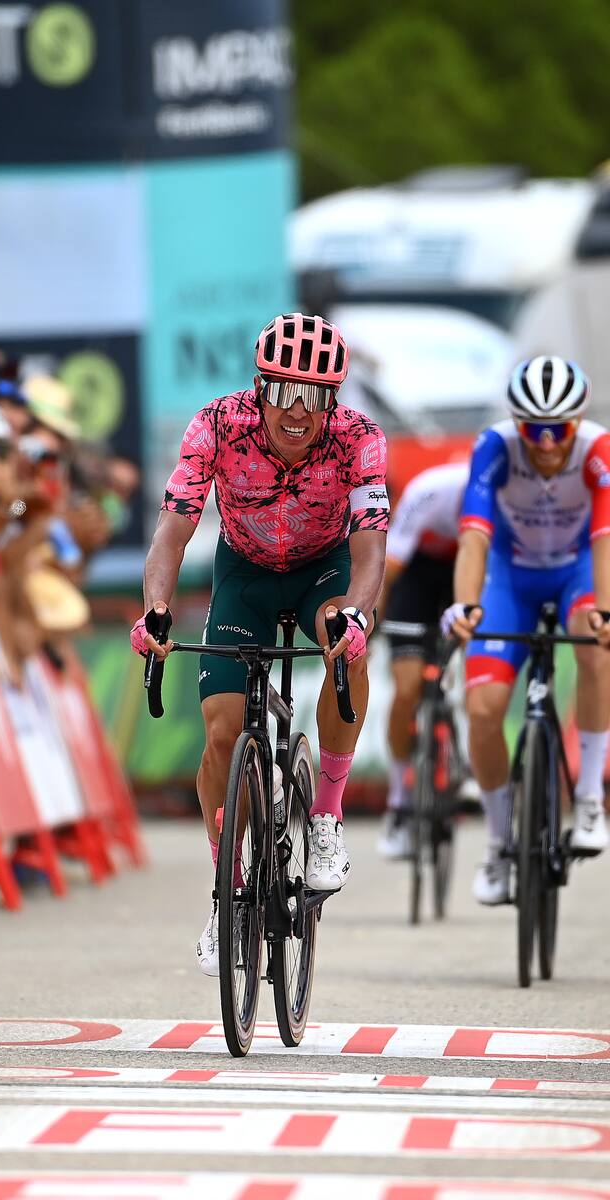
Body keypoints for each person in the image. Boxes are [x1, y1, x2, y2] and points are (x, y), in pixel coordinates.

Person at [132, 312, 389, 977]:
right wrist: (156, 609)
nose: (299, 411)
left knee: (340, 637)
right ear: (259, 387)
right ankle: (228, 897)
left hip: (324, 570)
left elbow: (370, 550)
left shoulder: (360, 438)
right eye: (284, 392)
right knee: (222, 733)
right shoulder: (216, 424)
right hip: (244, 573)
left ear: (334, 399)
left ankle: (326, 817)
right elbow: (172, 532)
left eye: (316, 396)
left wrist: (358, 617)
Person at [445, 356, 610, 904]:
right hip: (510, 581)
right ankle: (498, 844)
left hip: (577, 571)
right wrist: (465, 606)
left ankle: (588, 797)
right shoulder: (494, 446)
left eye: (557, 429)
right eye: (532, 429)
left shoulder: (597, 449)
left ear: (576, 423)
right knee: (485, 709)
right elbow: (473, 537)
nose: (544, 443)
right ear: (517, 425)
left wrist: (606, 612)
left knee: (595, 645)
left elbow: (606, 540)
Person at [376, 460, 470, 858]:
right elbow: (390, 569)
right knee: (407, 689)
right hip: (416, 575)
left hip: (466, 574)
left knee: (478, 673)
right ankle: (400, 802)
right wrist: (368, 621)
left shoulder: (503, 500)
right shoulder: (430, 491)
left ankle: (462, 759)